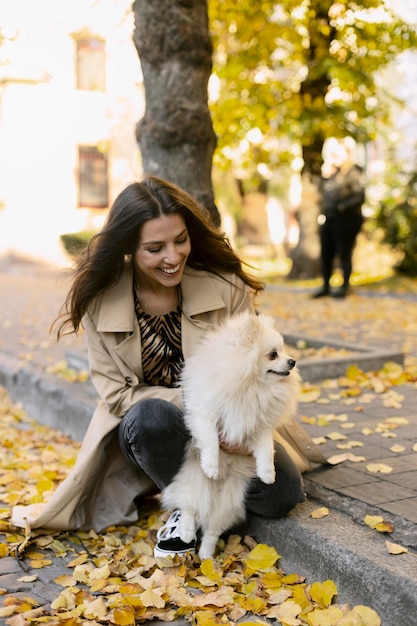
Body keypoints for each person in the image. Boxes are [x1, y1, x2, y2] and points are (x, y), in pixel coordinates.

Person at [12, 175, 327, 557]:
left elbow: (262, 371)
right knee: (150, 416)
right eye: (155, 248)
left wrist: (238, 429)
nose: (173, 256)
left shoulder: (226, 288)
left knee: (282, 495)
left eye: (180, 240)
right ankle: (186, 508)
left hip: (239, 426)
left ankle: (217, 500)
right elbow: (117, 395)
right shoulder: (101, 303)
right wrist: (208, 415)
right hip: (157, 433)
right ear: (130, 247)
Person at [312, 138, 365, 299]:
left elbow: (359, 196)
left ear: (348, 154)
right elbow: (320, 193)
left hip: (347, 219)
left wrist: (342, 207)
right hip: (329, 218)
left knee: (344, 252)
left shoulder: (353, 172)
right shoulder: (331, 173)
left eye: (339, 153)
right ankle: (326, 285)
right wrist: (325, 175)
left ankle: (344, 286)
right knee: (326, 252)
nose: (335, 156)